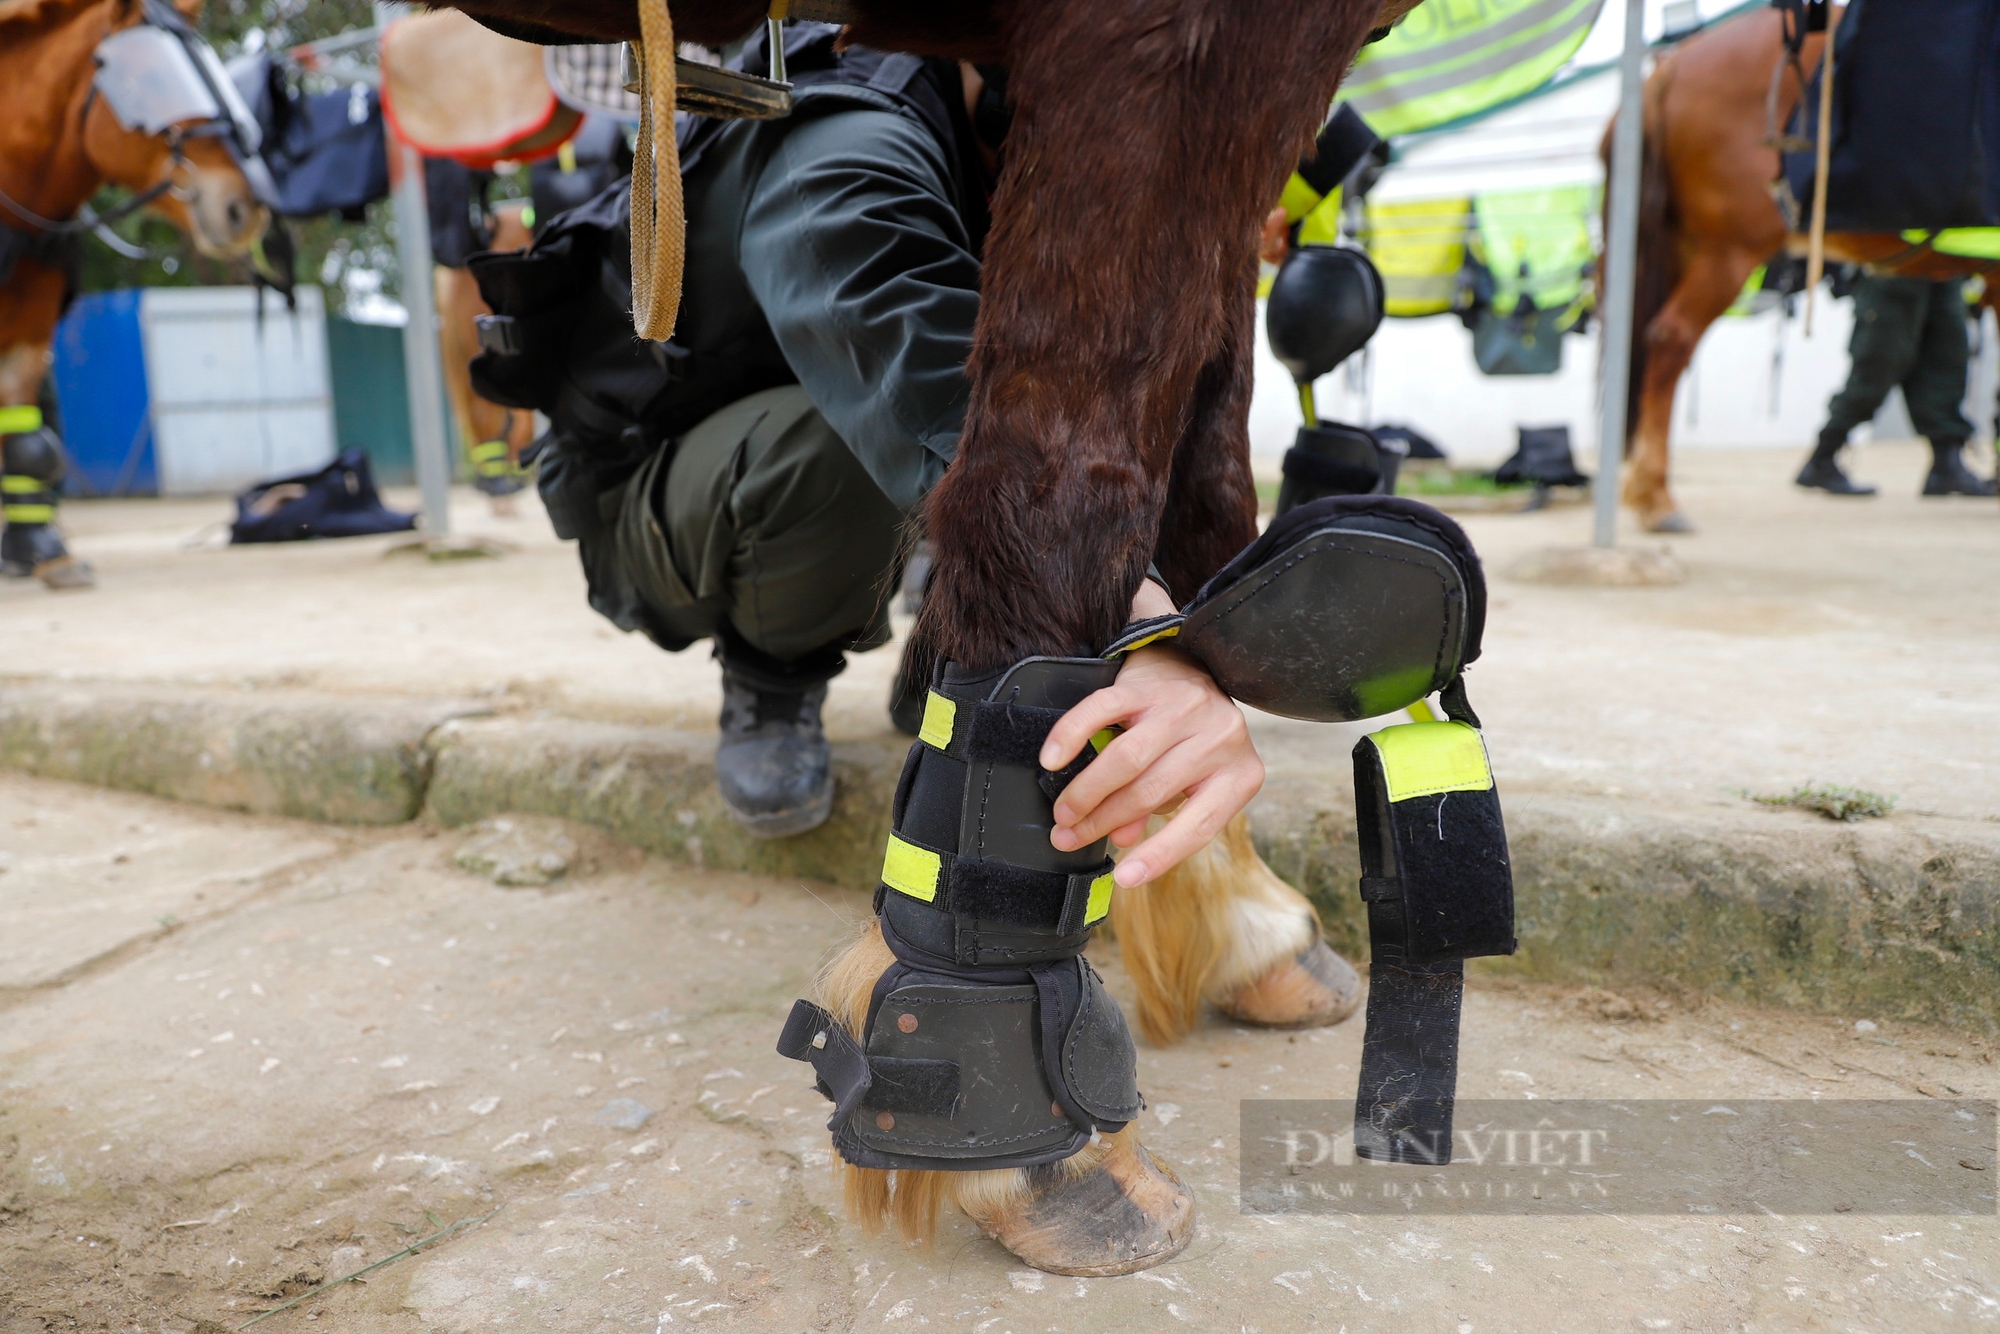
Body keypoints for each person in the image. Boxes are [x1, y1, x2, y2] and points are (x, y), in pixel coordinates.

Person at [474, 25, 1260, 884]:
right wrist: (1133, 615)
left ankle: (945, 652)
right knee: (875, 429)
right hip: (656, 497)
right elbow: (893, 348)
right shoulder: (846, 135)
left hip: (773, 454)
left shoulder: (985, 137)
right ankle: (771, 671)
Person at [1797, 272, 1996, 497]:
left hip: (1943, 267)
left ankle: (1947, 464)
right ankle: (1822, 459)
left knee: (1945, 362)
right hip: (1893, 262)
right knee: (1877, 368)